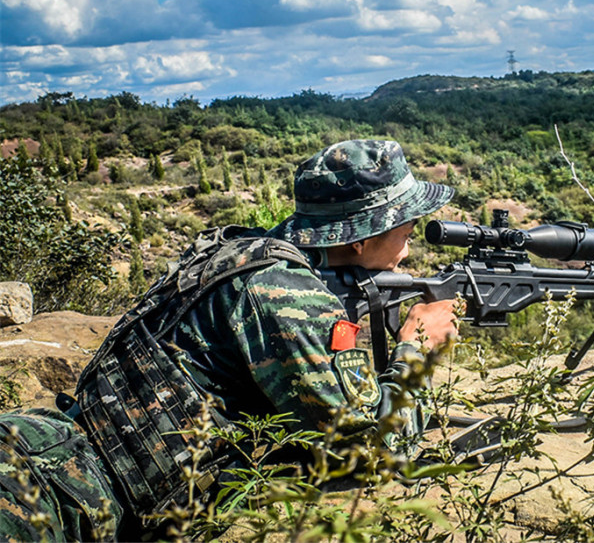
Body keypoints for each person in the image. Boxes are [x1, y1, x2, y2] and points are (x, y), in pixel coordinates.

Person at [0, 139, 458, 541]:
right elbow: (378, 448)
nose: (408, 247)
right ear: (361, 237)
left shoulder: (240, 251)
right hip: (63, 498)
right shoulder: (285, 292)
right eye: (406, 230)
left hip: (39, 443)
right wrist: (416, 347)